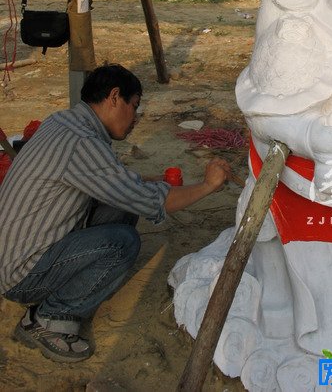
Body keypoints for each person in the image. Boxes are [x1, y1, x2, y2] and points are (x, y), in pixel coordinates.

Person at [0, 63, 231, 363]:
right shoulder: (84, 143)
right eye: (134, 107)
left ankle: (55, 294)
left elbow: (117, 183)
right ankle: (47, 319)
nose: (135, 118)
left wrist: (150, 182)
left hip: (15, 253)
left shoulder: (64, 122)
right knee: (122, 242)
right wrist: (208, 186)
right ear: (113, 96)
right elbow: (151, 202)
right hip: (20, 274)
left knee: (121, 208)